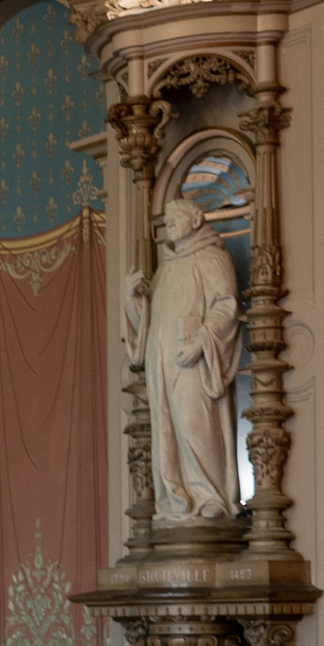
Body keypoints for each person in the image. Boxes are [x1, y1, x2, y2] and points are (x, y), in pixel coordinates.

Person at [131, 198, 242, 522]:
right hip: (161, 363)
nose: (170, 223)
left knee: (196, 427)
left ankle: (209, 496)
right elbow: (149, 323)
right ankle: (175, 498)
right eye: (167, 218)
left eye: (177, 216)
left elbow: (227, 306)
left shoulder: (213, 258)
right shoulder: (166, 267)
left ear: (195, 220)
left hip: (194, 361)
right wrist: (133, 298)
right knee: (166, 429)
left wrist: (201, 341)